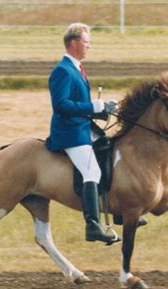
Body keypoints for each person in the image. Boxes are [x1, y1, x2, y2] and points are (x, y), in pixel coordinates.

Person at [45, 23, 117, 244]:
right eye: (87, 43)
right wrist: (93, 107)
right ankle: (92, 225)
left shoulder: (77, 69)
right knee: (91, 172)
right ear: (74, 43)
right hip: (69, 133)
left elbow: (82, 104)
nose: (89, 47)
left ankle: (120, 212)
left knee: (109, 150)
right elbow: (61, 105)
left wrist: (104, 108)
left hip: (82, 127)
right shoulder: (62, 70)